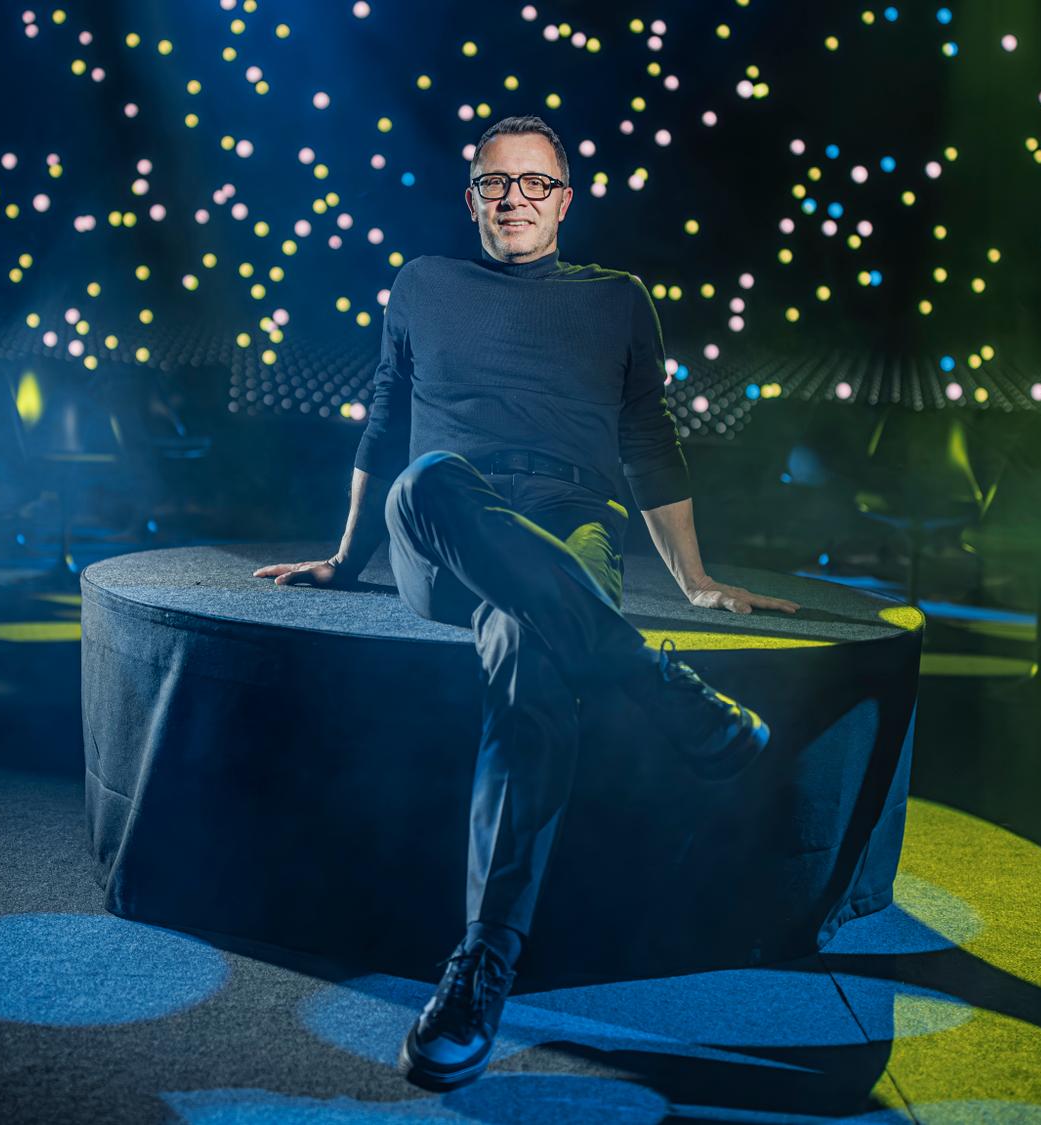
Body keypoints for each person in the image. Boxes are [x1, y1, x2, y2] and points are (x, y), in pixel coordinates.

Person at [252, 115, 799, 1090]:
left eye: (532, 183)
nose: (512, 197)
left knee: (528, 644)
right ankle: (657, 684)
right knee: (425, 478)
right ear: (469, 198)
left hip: (569, 530)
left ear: (564, 198)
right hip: (444, 530)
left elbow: (648, 441)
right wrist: (343, 559)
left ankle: (479, 967)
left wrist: (694, 579)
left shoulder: (619, 300)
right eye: (492, 183)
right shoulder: (421, 282)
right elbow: (383, 423)